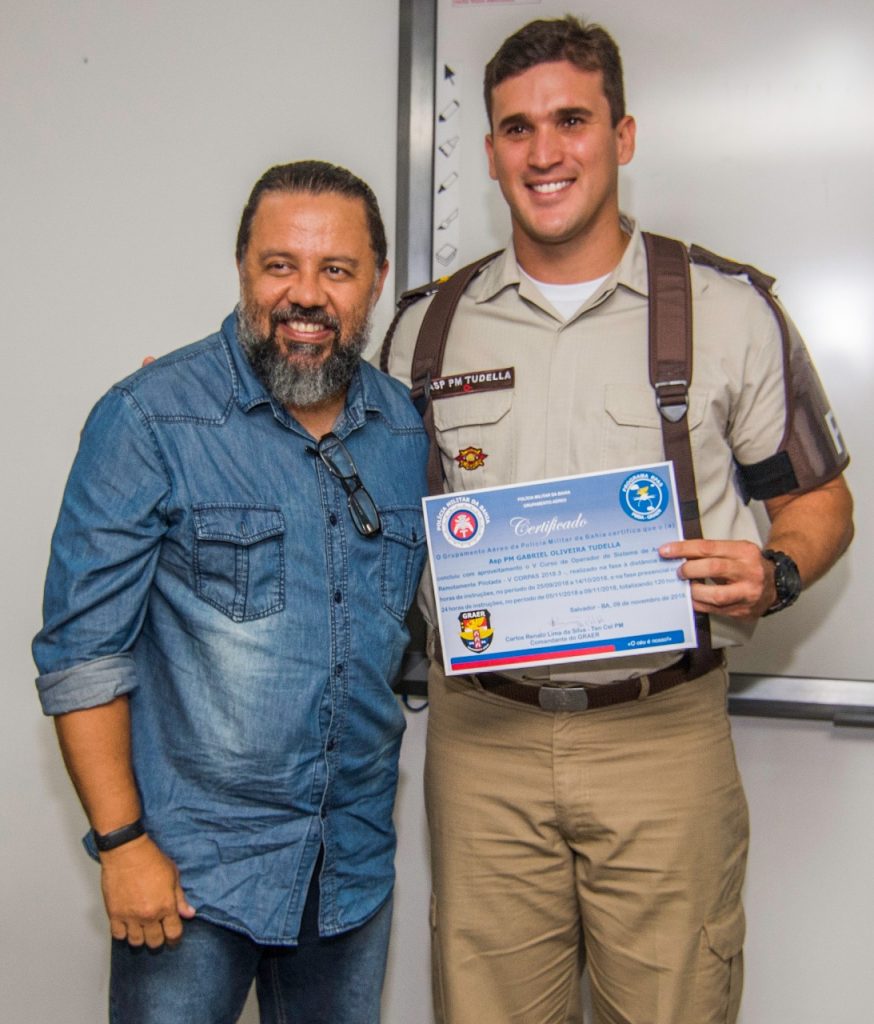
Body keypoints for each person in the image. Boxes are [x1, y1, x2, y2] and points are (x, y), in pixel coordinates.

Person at [382, 17, 854, 1024]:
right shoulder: (426, 330)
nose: (543, 152)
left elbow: (818, 500)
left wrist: (773, 571)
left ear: (622, 135)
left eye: (571, 120)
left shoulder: (726, 309)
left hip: (660, 735)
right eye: (517, 129)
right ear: (491, 152)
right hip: (483, 741)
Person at [33, 160, 428, 1024]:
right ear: (242, 269)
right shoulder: (150, 418)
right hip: (189, 878)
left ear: (376, 282)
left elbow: (416, 624)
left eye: (336, 269)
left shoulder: (406, 431)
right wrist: (121, 844)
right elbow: (81, 656)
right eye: (280, 264)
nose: (306, 294)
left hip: (350, 868)